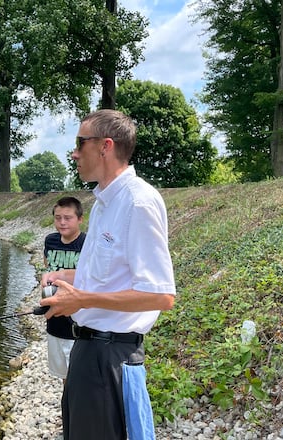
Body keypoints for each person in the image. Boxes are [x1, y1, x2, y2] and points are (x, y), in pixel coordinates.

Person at [39, 109, 176, 440]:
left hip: (110, 358)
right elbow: (104, 273)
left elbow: (161, 295)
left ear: (105, 146)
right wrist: (62, 277)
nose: (74, 153)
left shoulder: (138, 203)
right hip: (86, 351)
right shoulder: (102, 204)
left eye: (79, 143)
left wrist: (82, 299)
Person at [42, 196, 86, 382]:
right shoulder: (50, 241)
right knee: (63, 378)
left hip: (79, 324)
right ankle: (67, 410)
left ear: (80, 219)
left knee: (79, 378)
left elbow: (93, 277)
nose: (62, 222)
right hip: (54, 321)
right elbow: (46, 269)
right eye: (58, 217)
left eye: (67, 218)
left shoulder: (88, 244)